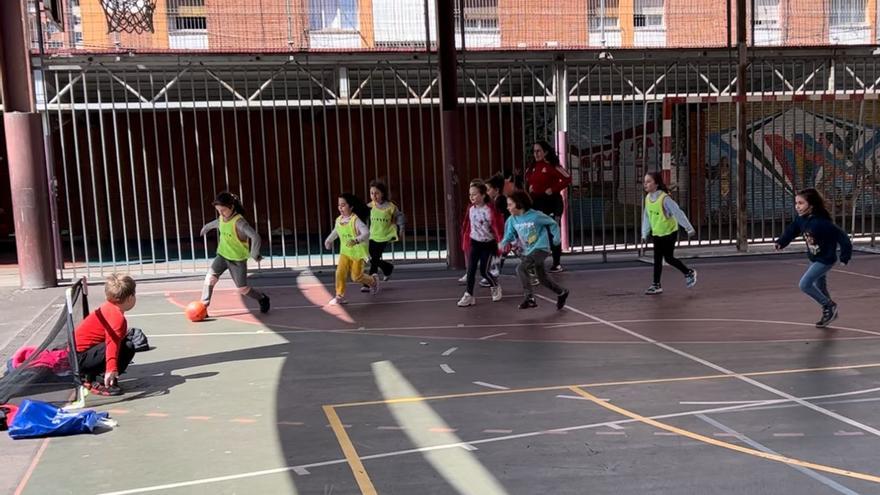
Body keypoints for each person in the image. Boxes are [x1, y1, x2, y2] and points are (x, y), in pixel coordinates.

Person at [775, 188, 852, 328]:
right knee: (820, 286)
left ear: (811, 205)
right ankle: (829, 312)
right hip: (813, 257)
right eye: (796, 203)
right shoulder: (801, 219)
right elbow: (792, 230)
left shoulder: (822, 223)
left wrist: (845, 256)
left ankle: (829, 305)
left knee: (804, 284)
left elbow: (843, 238)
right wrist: (782, 242)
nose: (797, 206)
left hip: (825, 259)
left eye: (801, 203)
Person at [199, 192, 270, 315]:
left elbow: (255, 237)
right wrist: (206, 227)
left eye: (223, 210)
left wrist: (254, 253)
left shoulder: (239, 222)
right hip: (222, 255)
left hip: (237, 260)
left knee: (242, 289)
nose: (221, 213)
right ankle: (203, 306)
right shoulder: (222, 217)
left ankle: (262, 298)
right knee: (209, 279)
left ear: (231, 207)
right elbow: (217, 222)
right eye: (218, 210)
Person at [500, 191, 570, 310]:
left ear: (519, 204)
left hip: (540, 248)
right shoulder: (512, 220)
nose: (508, 207)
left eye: (510, 204)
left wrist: (556, 238)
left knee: (521, 268)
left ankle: (529, 298)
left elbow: (552, 223)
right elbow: (509, 235)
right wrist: (502, 243)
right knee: (542, 278)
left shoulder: (536, 216)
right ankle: (562, 292)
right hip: (529, 250)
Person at [73, 273, 138, 396]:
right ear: (130, 298)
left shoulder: (109, 308)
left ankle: (96, 375)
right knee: (127, 347)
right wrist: (111, 369)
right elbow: (111, 343)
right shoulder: (117, 318)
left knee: (126, 344)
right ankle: (98, 379)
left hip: (79, 354)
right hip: (79, 358)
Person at [641, 171, 697, 295]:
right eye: (644, 182)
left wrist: (688, 228)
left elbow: (678, 213)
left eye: (648, 181)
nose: (645, 184)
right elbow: (646, 216)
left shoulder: (664, 198)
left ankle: (689, 272)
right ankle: (656, 285)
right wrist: (644, 233)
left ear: (656, 184)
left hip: (669, 233)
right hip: (657, 233)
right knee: (657, 259)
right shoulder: (648, 199)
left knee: (668, 258)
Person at [524, 141, 572, 272]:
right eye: (534, 151)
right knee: (535, 233)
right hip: (537, 203)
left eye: (538, 151)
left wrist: (553, 189)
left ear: (545, 152)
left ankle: (556, 263)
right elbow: (528, 178)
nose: (536, 154)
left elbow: (567, 178)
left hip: (551, 202)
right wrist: (530, 188)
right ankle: (535, 263)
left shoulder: (552, 166)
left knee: (552, 232)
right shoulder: (532, 166)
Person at [325, 193, 379, 305]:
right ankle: (339, 296)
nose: (340, 207)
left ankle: (373, 281)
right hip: (345, 252)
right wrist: (328, 240)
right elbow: (335, 232)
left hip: (357, 253)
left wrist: (356, 240)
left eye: (343, 205)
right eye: (339, 205)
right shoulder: (339, 220)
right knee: (339, 272)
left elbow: (366, 233)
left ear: (351, 207)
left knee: (356, 277)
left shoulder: (356, 220)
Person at [457, 181, 505, 307]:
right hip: (475, 243)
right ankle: (469, 295)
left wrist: (500, 242)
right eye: (470, 195)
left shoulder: (490, 210)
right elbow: (467, 224)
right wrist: (465, 237)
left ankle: (495, 286)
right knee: (471, 270)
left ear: (483, 195)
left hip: (488, 244)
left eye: (474, 194)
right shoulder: (471, 209)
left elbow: (497, 227)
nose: (471, 197)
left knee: (484, 271)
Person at [361, 180, 406, 293]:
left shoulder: (390, 207)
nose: (374, 196)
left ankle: (368, 283)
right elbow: (359, 217)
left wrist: (401, 229)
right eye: (371, 193)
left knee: (374, 259)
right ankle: (387, 268)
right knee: (371, 258)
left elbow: (400, 216)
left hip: (385, 236)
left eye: (376, 193)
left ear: (383, 194)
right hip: (372, 236)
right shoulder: (370, 206)